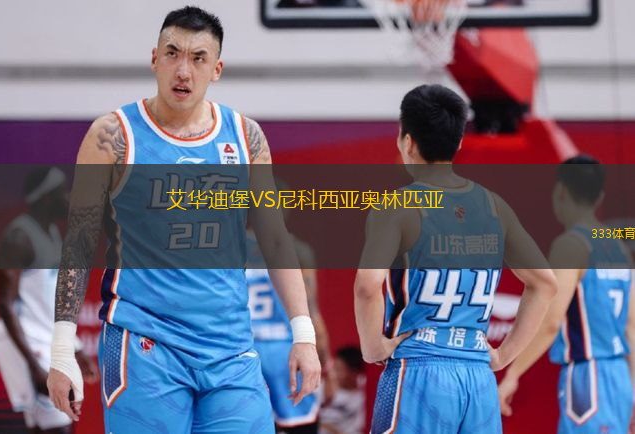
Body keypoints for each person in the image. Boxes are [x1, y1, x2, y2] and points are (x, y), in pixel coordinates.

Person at [45, 6, 320, 434]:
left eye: (198, 58)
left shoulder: (246, 137)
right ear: (154, 58)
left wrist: (303, 334)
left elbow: (275, 241)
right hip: (145, 343)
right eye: (172, 53)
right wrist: (62, 348)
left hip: (230, 349)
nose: (183, 70)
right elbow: (78, 244)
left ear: (217, 69)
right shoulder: (113, 136)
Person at [354, 84, 558, 433]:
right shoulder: (495, 207)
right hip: (478, 378)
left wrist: (373, 347)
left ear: (407, 141)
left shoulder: (396, 207)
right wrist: (503, 355)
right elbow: (544, 283)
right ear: (459, 141)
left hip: (419, 369)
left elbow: (367, 286)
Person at [498, 156, 635, 433]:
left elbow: (550, 322)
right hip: (621, 377)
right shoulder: (619, 247)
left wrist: (512, 374)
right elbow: (631, 326)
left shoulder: (570, 245)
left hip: (588, 378)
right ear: (600, 197)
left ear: (560, 191)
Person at [0, 167, 98, 434]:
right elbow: (5, 304)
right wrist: (32, 364)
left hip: (43, 341)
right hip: (27, 344)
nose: (67, 197)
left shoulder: (50, 232)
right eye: (61, 191)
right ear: (45, 196)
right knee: (60, 426)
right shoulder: (19, 237)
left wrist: (75, 347)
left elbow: (49, 303)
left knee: (44, 428)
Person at [247, 180, 334, 433]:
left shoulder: (227, 248)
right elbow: (312, 311)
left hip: (244, 352)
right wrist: (327, 367)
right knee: (299, 425)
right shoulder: (297, 250)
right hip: (286, 352)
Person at [319, 346, 366, 434]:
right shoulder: (322, 387)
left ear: (354, 373)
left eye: (339, 369)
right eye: (334, 367)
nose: (334, 373)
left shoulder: (362, 391)